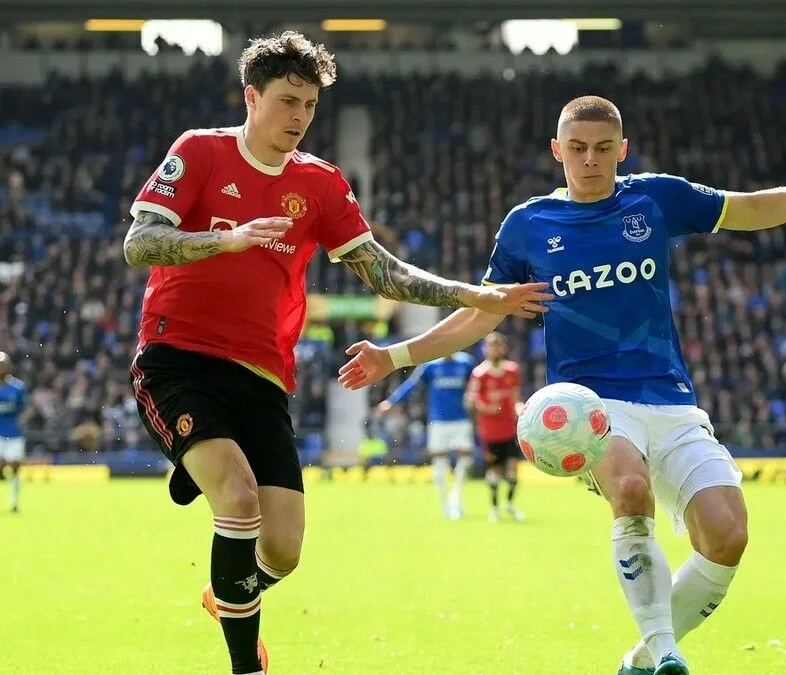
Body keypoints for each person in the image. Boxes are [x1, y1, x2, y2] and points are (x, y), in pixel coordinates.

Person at [337, 95, 786, 675]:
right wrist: (394, 355)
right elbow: (482, 314)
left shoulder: (655, 198)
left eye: (603, 149)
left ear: (622, 150)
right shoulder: (529, 225)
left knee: (727, 537)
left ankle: (642, 657)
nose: (590, 160)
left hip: (672, 400)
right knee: (630, 488)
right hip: (589, 404)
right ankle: (669, 651)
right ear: (557, 151)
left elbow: (749, 209)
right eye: (577, 149)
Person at [122, 31, 552, 675]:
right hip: (178, 356)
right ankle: (249, 666)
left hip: (264, 373)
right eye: (289, 101)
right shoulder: (201, 152)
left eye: (311, 106)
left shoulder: (319, 184)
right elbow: (140, 242)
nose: (300, 118)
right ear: (252, 97)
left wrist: (476, 293)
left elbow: (381, 271)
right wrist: (228, 240)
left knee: (284, 550)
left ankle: (230, 590)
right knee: (239, 501)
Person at [376, 350, 476, 519]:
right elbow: (412, 384)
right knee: (439, 462)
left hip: (461, 418)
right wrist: (391, 402)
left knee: (466, 459)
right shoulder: (431, 365)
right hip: (438, 421)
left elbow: (477, 385)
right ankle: (446, 505)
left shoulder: (466, 363)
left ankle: (456, 500)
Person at [464, 332, 524, 523]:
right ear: (485, 350)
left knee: (513, 471)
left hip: (510, 427)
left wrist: (519, 408)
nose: (495, 349)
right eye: (491, 346)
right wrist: (486, 408)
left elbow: (516, 396)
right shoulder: (479, 374)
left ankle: (510, 505)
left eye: (498, 346)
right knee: (495, 471)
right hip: (490, 431)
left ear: (504, 349)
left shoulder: (512, 370)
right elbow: (470, 400)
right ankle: (495, 508)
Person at [0, 352, 28, 513]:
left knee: (16, 467)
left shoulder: (17, 388)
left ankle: (14, 502)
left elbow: (26, 408)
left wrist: (23, 418)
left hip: (14, 433)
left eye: (2, 364)